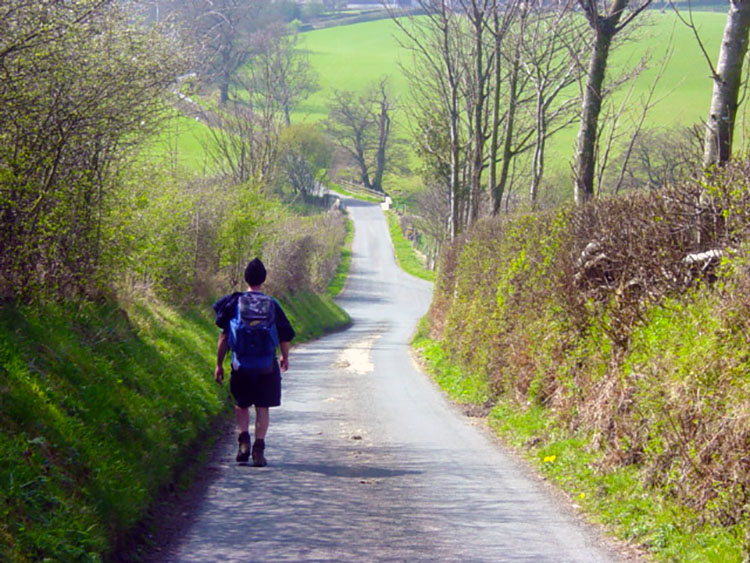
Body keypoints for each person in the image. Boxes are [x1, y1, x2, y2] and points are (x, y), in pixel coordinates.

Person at [213, 258, 295, 466]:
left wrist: (219, 364)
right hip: (267, 366)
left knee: (241, 406)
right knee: (262, 407)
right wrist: (284, 357)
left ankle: (243, 443)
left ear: (245, 278)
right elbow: (285, 335)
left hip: (240, 365)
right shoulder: (272, 304)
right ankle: (259, 450)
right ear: (264, 279)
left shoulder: (234, 303)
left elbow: (223, 337)